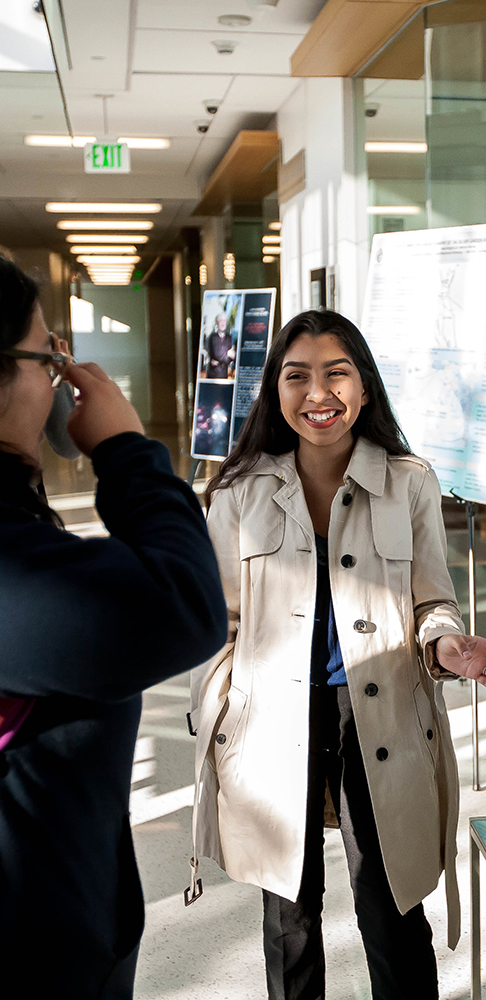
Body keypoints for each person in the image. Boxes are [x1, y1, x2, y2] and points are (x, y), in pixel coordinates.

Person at [189, 309, 486, 1000]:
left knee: (390, 902)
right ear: (275, 391)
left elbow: (432, 602)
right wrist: (219, 706)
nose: (318, 394)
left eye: (336, 373)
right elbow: (218, 624)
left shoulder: (410, 482)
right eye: (297, 376)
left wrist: (446, 644)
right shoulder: (238, 492)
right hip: (270, 717)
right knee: (288, 913)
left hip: (380, 713)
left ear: (364, 387)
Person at [0, 255, 228, 995]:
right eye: (46, 355)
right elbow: (183, 603)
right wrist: (129, 451)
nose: (58, 372)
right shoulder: (15, 568)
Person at [204, 310, 235, 379]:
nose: (223, 323)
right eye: (221, 321)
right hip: (213, 376)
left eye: (224, 321)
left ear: (227, 324)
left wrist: (231, 356)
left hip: (224, 375)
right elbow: (217, 354)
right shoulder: (213, 337)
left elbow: (231, 359)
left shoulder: (229, 338)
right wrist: (228, 354)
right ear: (217, 323)